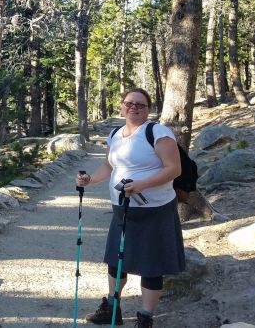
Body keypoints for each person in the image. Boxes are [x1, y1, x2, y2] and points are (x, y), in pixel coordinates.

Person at [76, 88, 185, 328]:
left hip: (155, 210)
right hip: (122, 209)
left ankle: (145, 317)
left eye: (140, 104)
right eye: (129, 103)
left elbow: (174, 169)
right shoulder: (115, 134)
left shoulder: (157, 132)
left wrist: (141, 185)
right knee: (115, 261)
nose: (134, 107)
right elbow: (109, 165)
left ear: (148, 109)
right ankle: (112, 308)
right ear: (122, 106)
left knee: (152, 265)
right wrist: (91, 180)